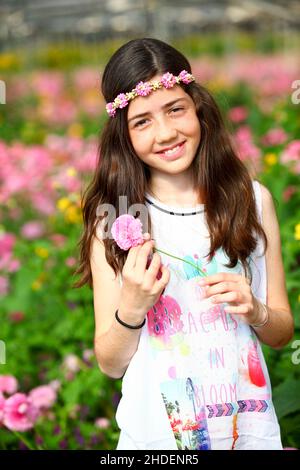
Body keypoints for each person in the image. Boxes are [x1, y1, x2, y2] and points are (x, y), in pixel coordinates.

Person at [75, 38, 294, 450]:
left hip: (245, 433)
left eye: (175, 109)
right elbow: (110, 363)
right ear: (123, 134)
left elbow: (282, 333)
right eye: (142, 121)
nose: (166, 133)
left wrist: (256, 309)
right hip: (158, 440)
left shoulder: (251, 199)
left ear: (197, 107)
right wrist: (134, 306)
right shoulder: (116, 218)